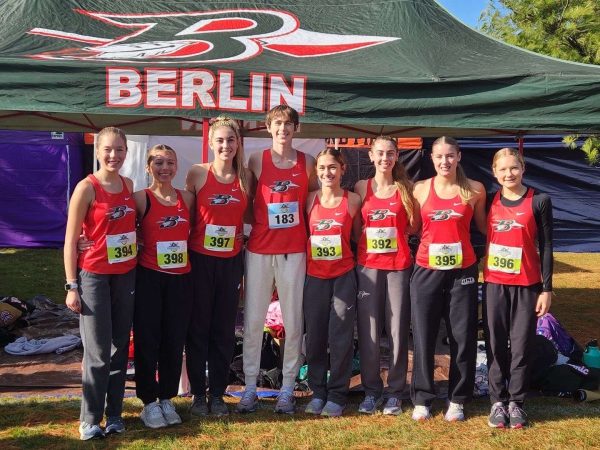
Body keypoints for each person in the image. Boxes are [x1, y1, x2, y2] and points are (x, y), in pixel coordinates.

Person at [237, 105, 317, 414]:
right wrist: (257, 227)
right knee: (254, 319)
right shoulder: (257, 159)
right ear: (269, 128)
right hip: (259, 249)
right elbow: (248, 201)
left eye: (288, 123)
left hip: (293, 250)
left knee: (293, 320)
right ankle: (250, 387)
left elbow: (311, 202)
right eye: (278, 123)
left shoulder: (307, 162)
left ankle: (287, 388)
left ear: (296, 128)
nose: (283, 128)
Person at [64, 127, 137, 440]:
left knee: (120, 347)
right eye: (108, 149)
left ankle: (116, 414)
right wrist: (71, 286)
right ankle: (90, 419)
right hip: (93, 275)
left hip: (126, 274)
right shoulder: (86, 187)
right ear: (97, 151)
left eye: (119, 150)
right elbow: (69, 240)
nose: (114, 156)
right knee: (97, 351)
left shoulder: (129, 184)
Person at [410, 136, 486, 422]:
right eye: (440, 156)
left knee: (462, 336)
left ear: (459, 156)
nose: (445, 161)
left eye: (450, 156)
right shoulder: (420, 189)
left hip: (462, 271)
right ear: (431, 158)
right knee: (424, 334)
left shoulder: (474, 190)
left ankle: (458, 399)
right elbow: (416, 227)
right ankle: (422, 398)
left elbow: (483, 227)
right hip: (426, 270)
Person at [185, 116, 250, 417]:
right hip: (200, 260)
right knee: (198, 327)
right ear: (211, 143)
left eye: (231, 140)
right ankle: (199, 394)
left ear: (238, 144)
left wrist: (244, 235)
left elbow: (252, 216)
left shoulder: (246, 177)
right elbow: (183, 216)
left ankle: (219, 394)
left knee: (224, 330)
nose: (226, 145)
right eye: (220, 140)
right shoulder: (197, 174)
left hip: (230, 263)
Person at [483, 148, 553, 429]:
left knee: (522, 344)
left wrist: (547, 289)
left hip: (527, 284)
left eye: (514, 168)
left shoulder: (540, 201)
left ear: (523, 168)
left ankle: (517, 403)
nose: (509, 174)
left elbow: (547, 246)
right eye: (503, 169)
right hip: (495, 283)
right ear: (494, 172)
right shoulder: (489, 200)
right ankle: (497, 401)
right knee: (495, 342)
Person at [354, 136, 419, 415]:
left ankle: (394, 392)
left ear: (396, 156)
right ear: (370, 155)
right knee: (368, 329)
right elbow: (357, 227)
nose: (385, 158)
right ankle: (371, 390)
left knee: (396, 329)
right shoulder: (360, 187)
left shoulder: (407, 188)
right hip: (368, 266)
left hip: (398, 265)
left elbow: (414, 226)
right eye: (379, 153)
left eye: (390, 153)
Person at [133, 144, 194, 429]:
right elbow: (117, 225)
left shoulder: (187, 199)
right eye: (158, 163)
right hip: (150, 277)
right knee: (148, 339)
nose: (165, 168)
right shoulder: (140, 199)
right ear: (148, 167)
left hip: (180, 279)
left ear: (177, 166)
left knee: (174, 338)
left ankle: (167, 397)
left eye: (170, 162)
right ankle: (148, 401)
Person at [302, 148, 362, 417]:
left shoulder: (353, 201)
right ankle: (317, 392)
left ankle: (337, 394)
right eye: (323, 168)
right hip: (314, 276)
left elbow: (359, 236)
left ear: (342, 169)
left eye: (333, 168)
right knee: (314, 336)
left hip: (343, 275)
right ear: (317, 172)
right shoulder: (309, 200)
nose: (328, 173)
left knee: (340, 337)